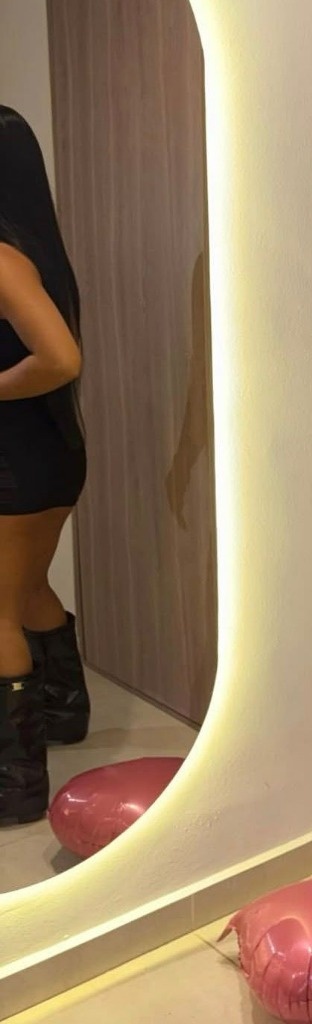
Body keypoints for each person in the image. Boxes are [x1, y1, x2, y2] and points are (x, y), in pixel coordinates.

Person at [0, 106, 89, 827]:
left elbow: (60, 359)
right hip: (49, 454)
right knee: (26, 588)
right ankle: (63, 710)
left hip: (16, 461)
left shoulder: (1, 258)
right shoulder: (34, 250)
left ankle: (15, 784)